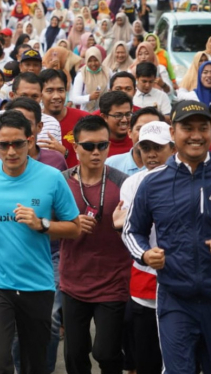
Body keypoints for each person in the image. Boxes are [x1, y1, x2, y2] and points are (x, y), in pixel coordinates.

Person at [122, 100, 211, 374]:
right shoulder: (152, 182)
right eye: (187, 128)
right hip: (174, 297)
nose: (196, 135)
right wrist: (144, 253)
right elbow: (132, 230)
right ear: (173, 133)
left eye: (203, 127)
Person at [0, 109, 80, 374]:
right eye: (4, 145)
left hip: (36, 282)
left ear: (30, 140)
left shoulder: (51, 178)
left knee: (34, 361)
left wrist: (42, 224)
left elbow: (74, 228)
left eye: (18, 143)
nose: (12, 151)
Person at [60, 115, 130, 374]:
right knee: (75, 354)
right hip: (72, 282)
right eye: (88, 146)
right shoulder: (61, 181)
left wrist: (125, 224)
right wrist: (69, 225)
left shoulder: (124, 183)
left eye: (102, 145)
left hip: (113, 281)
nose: (96, 152)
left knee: (106, 352)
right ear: (75, 147)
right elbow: (43, 228)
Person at [113, 120, 175, 374]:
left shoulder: (189, 179)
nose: (151, 154)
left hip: (183, 277)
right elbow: (131, 232)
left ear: (172, 147)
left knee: (179, 355)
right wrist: (120, 227)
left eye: (158, 148)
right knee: (146, 355)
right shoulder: (132, 183)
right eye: (145, 147)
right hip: (145, 277)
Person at [0, 72, 61, 159]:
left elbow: (57, 159)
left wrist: (64, 152)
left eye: (34, 96)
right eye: (24, 95)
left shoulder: (52, 124)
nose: (28, 100)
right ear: (12, 95)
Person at [0, 98, 68, 171]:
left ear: (39, 126)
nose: (21, 129)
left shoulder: (56, 160)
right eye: (14, 123)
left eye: (27, 124)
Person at [39, 68, 89, 168]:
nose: (56, 96)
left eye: (60, 90)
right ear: (40, 94)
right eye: (50, 91)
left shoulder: (84, 119)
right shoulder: (33, 122)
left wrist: (65, 153)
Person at [106, 106, 164, 176]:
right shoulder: (111, 165)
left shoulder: (169, 168)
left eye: (153, 130)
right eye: (140, 129)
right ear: (130, 132)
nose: (146, 135)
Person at [72, 47, 110, 112]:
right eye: (90, 61)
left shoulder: (107, 72)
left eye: (96, 60)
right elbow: (74, 99)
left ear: (100, 59)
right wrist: (89, 97)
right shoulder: (81, 75)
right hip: (86, 113)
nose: (93, 64)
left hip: (105, 112)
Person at [99, 90, 134, 156]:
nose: (124, 120)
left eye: (128, 114)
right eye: (118, 115)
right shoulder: (95, 147)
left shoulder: (138, 142)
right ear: (104, 117)